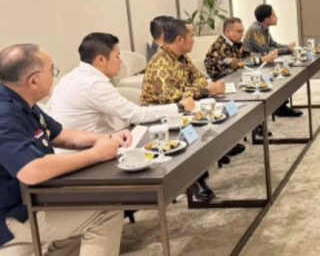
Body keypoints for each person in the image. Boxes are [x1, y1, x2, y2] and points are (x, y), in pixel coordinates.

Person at [0, 44, 130, 255]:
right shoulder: (5, 116)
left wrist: (107, 138)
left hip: (33, 199)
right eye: (52, 70)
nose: (55, 75)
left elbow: (60, 135)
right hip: (13, 215)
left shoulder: (23, 102)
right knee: (106, 211)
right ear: (33, 81)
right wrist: (96, 154)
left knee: (86, 205)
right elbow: (31, 171)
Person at [140, 18, 226, 201]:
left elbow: (199, 78)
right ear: (179, 39)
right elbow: (170, 97)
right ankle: (193, 180)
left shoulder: (181, 57)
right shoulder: (160, 62)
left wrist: (204, 88)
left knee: (210, 122)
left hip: (182, 110)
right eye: (191, 36)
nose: (194, 40)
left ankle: (205, 167)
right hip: (158, 118)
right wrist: (204, 90)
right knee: (196, 130)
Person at [49, 32, 195, 134]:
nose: (121, 61)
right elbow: (136, 115)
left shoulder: (69, 78)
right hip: (90, 154)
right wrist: (179, 107)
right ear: (101, 60)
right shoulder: (94, 85)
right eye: (117, 56)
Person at [243, 4, 302, 117]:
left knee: (282, 74)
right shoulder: (255, 30)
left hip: (263, 62)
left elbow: (273, 44)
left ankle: (281, 106)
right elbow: (265, 50)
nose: (276, 17)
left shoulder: (264, 28)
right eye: (274, 15)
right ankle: (279, 107)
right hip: (254, 65)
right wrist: (287, 49)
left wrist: (288, 47)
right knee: (278, 76)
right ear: (266, 19)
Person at [205, 17, 277, 80]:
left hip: (236, 76)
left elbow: (249, 56)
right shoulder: (219, 47)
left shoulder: (236, 43)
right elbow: (239, 64)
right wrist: (262, 59)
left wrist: (266, 57)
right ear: (228, 32)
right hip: (223, 81)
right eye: (239, 32)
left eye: (242, 31)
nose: (242, 34)